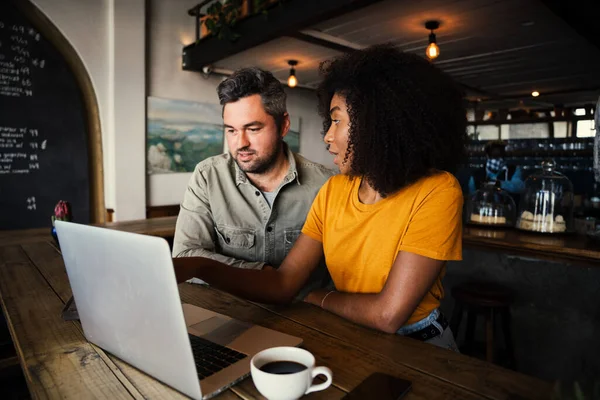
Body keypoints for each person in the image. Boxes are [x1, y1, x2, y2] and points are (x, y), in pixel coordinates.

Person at [173, 45, 467, 350]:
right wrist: (200, 266)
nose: (327, 135)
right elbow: (284, 284)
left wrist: (318, 297)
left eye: (337, 121)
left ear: (378, 124)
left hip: (421, 345)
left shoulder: (439, 190)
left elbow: (387, 315)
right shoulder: (335, 190)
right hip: (349, 334)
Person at [172, 67, 334, 293]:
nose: (241, 143)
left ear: (284, 125)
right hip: (229, 314)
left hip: (305, 322)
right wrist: (265, 275)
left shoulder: (326, 185)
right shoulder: (208, 176)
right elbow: (185, 254)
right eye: (231, 130)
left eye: (253, 129)